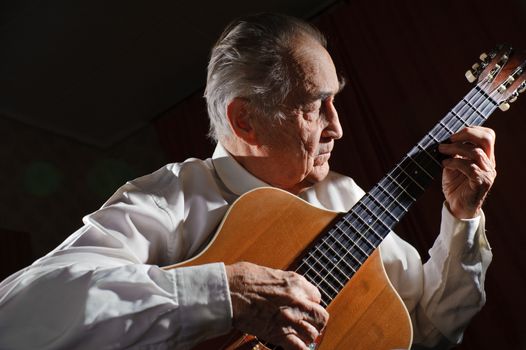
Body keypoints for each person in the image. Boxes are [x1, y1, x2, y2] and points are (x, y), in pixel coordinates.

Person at [0, 13, 495, 350]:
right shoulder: (172, 196)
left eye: (337, 100)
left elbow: (431, 329)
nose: (338, 126)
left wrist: (463, 218)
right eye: (313, 106)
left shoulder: (347, 198)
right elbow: (17, 315)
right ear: (245, 122)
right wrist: (221, 295)